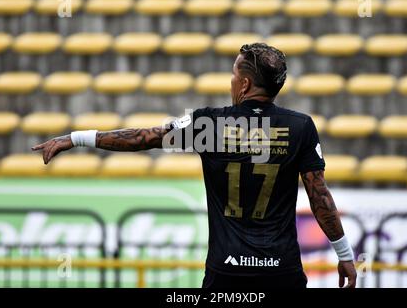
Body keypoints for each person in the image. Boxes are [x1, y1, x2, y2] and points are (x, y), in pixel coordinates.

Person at [32, 43, 357, 289]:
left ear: (243, 85)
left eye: (233, 75)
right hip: (281, 272)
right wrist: (344, 254)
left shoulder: (209, 125)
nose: (231, 82)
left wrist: (76, 137)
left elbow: (144, 138)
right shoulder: (301, 126)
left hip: (227, 272)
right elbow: (319, 196)